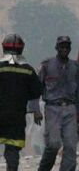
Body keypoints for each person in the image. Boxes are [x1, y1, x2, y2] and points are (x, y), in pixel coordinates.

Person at [33, 36, 79, 171]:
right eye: (61, 46)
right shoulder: (46, 65)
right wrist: (35, 109)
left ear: (69, 49)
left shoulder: (74, 67)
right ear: (56, 48)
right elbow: (35, 87)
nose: (64, 49)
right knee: (53, 143)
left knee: (70, 145)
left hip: (70, 109)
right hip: (52, 108)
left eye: (66, 46)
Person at [0, 34, 43, 171]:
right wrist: (36, 111)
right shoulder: (28, 70)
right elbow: (36, 93)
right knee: (12, 149)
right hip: (16, 118)